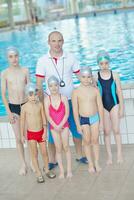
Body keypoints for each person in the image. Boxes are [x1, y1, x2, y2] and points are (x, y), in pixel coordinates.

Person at [36, 31, 87, 170]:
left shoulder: (70, 57)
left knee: (76, 130)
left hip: (70, 101)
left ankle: (80, 155)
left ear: (63, 41)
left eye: (59, 40)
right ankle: (52, 160)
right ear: (48, 42)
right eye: (53, 41)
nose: (57, 44)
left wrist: (91, 85)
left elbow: (80, 76)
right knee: (52, 136)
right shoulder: (42, 60)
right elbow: (39, 85)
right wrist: (42, 106)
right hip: (52, 104)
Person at [1, 47, 30, 175]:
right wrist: (8, 111)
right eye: (11, 56)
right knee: (18, 138)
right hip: (13, 108)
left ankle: (32, 162)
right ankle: (23, 164)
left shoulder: (25, 71)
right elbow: (3, 94)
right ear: (7, 58)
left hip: (25, 105)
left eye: (16, 56)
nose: (14, 59)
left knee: (29, 137)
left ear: (19, 56)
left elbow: (30, 90)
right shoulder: (5, 73)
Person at [21, 83, 56, 183]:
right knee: (34, 154)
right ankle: (38, 173)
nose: (33, 97)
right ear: (26, 95)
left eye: (35, 95)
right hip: (31, 134)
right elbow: (22, 122)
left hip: (41, 132)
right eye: (30, 95)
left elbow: (44, 119)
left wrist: (45, 132)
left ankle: (47, 169)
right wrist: (23, 135)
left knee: (44, 153)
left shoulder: (40, 105)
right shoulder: (24, 107)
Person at [72, 67, 103, 173]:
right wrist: (77, 125)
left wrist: (102, 122)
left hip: (95, 118)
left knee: (95, 140)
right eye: (83, 77)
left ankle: (97, 162)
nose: (86, 79)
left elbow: (100, 107)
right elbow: (75, 111)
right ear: (80, 77)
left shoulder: (95, 90)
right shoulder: (76, 92)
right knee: (87, 141)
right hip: (83, 120)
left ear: (91, 78)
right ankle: (90, 163)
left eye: (88, 77)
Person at [96, 50, 124, 165]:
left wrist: (121, 108)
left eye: (106, 63)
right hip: (103, 107)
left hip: (115, 105)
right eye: (101, 64)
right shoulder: (95, 77)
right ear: (98, 64)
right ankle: (109, 156)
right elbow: (96, 95)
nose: (104, 66)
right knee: (107, 132)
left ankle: (119, 154)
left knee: (116, 130)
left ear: (109, 62)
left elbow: (119, 92)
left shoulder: (115, 75)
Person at [44, 76, 72, 178]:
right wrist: (55, 126)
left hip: (64, 125)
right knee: (58, 148)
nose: (54, 88)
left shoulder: (63, 98)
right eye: (51, 86)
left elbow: (67, 114)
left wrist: (60, 125)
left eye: (55, 85)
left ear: (58, 86)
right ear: (48, 87)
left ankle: (69, 170)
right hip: (54, 127)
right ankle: (61, 171)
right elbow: (48, 116)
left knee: (66, 147)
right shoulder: (47, 100)